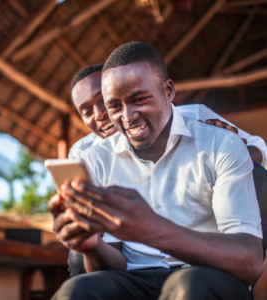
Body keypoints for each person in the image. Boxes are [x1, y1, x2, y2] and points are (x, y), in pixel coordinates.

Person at [49, 42, 263, 300]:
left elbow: (250, 264)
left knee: (189, 286)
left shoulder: (219, 141)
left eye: (139, 99)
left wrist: (153, 229)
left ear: (168, 91)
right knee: (77, 290)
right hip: (133, 279)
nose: (127, 117)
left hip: (205, 273)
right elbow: (112, 268)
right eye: (114, 106)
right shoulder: (94, 159)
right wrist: (93, 246)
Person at [69, 64, 267, 166]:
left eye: (105, 101)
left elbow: (259, 148)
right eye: (86, 111)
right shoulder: (83, 153)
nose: (99, 114)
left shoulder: (193, 116)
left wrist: (226, 157)